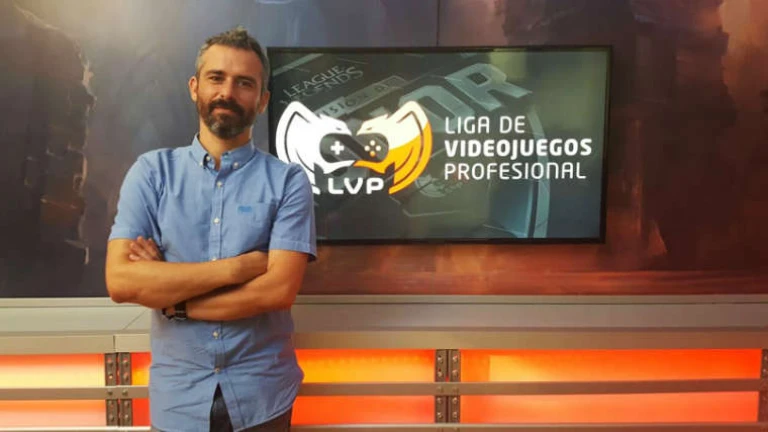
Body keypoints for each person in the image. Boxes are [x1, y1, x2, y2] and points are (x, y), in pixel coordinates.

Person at [105, 26, 315, 432]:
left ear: (262, 100)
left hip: (263, 398)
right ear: (194, 87)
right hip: (177, 400)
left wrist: (174, 299)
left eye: (244, 83)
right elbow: (121, 281)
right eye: (216, 78)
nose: (227, 92)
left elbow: (276, 291)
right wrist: (238, 269)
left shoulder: (288, 181)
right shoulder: (152, 173)